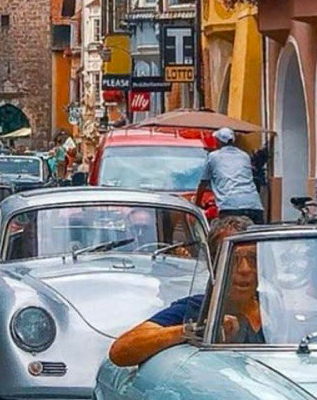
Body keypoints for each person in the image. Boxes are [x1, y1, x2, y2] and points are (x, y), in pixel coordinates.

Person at [109, 215, 254, 366]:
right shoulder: (198, 308)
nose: (245, 269)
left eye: (253, 258)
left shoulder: (274, 307)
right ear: (214, 264)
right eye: (233, 259)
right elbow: (120, 351)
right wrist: (197, 330)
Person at [195, 128, 264, 224]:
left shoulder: (213, 157)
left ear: (218, 141)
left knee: (230, 237)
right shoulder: (244, 155)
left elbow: (203, 183)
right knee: (255, 237)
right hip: (254, 205)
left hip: (230, 206)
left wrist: (197, 203)